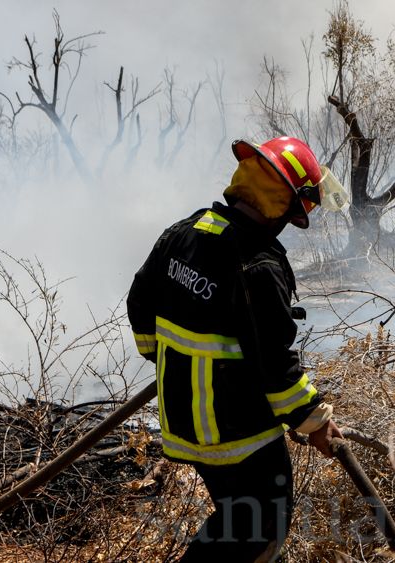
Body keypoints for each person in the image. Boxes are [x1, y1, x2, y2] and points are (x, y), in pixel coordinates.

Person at [127, 136, 347, 561]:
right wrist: (314, 421)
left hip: (184, 423)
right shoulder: (258, 264)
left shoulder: (184, 231)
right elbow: (274, 365)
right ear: (283, 202)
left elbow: (140, 304)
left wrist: (169, 361)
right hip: (233, 433)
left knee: (236, 519)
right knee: (261, 524)